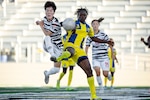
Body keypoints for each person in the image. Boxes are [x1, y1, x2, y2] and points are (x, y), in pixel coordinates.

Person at [51, 7, 112, 100]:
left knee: (89, 71)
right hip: (69, 45)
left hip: (80, 51)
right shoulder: (73, 23)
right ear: (78, 15)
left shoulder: (88, 28)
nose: (82, 16)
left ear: (86, 16)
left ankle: (93, 96)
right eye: (80, 15)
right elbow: (62, 24)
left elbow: (93, 38)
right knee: (70, 51)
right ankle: (58, 58)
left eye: (84, 15)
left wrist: (106, 41)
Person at [36, 1, 63, 84]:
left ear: (54, 12)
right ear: (45, 11)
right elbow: (47, 35)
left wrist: (41, 25)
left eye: (51, 11)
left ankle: (47, 73)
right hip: (48, 44)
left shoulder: (55, 22)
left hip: (58, 46)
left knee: (57, 69)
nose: (49, 12)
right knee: (47, 38)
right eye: (47, 10)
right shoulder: (44, 19)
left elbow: (47, 32)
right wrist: (39, 22)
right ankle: (52, 55)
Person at [85, 17, 112, 92]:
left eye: (96, 24)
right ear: (92, 25)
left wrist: (112, 52)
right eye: (93, 24)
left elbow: (109, 43)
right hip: (95, 57)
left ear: (99, 25)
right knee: (97, 71)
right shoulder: (90, 36)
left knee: (105, 74)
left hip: (104, 57)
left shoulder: (103, 35)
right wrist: (85, 55)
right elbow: (87, 46)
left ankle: (108, 75)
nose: (95, 25)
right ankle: (101, 87)